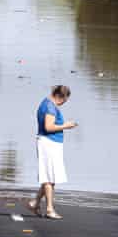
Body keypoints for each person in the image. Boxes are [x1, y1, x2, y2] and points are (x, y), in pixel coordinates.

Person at [28, 85, 76, 220]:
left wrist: (63, 125)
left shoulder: (47, 104)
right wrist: (66, 126)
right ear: (61, 97)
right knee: (49, 178)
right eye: (65, 100)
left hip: (51, 143)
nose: (64, 103)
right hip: (48, 143)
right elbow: (48, 127)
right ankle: (49, 209)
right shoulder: (50, 106)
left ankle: (35, 203)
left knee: (50, 176)